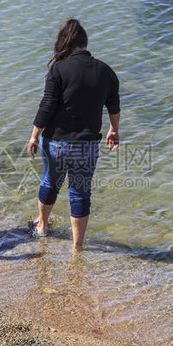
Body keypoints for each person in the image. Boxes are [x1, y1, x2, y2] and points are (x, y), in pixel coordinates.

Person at [27, 19, 120, 252]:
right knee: (80, 193)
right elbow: (114, 105)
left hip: (56, 143)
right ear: (85, 43)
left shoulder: (58, 69)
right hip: (87, 146)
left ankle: (42, 227)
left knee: (50, 182)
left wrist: (34, 135)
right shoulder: (105, 71)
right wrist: (113, 129)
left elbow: (47, 105)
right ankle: (77, 248)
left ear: (65, 43)